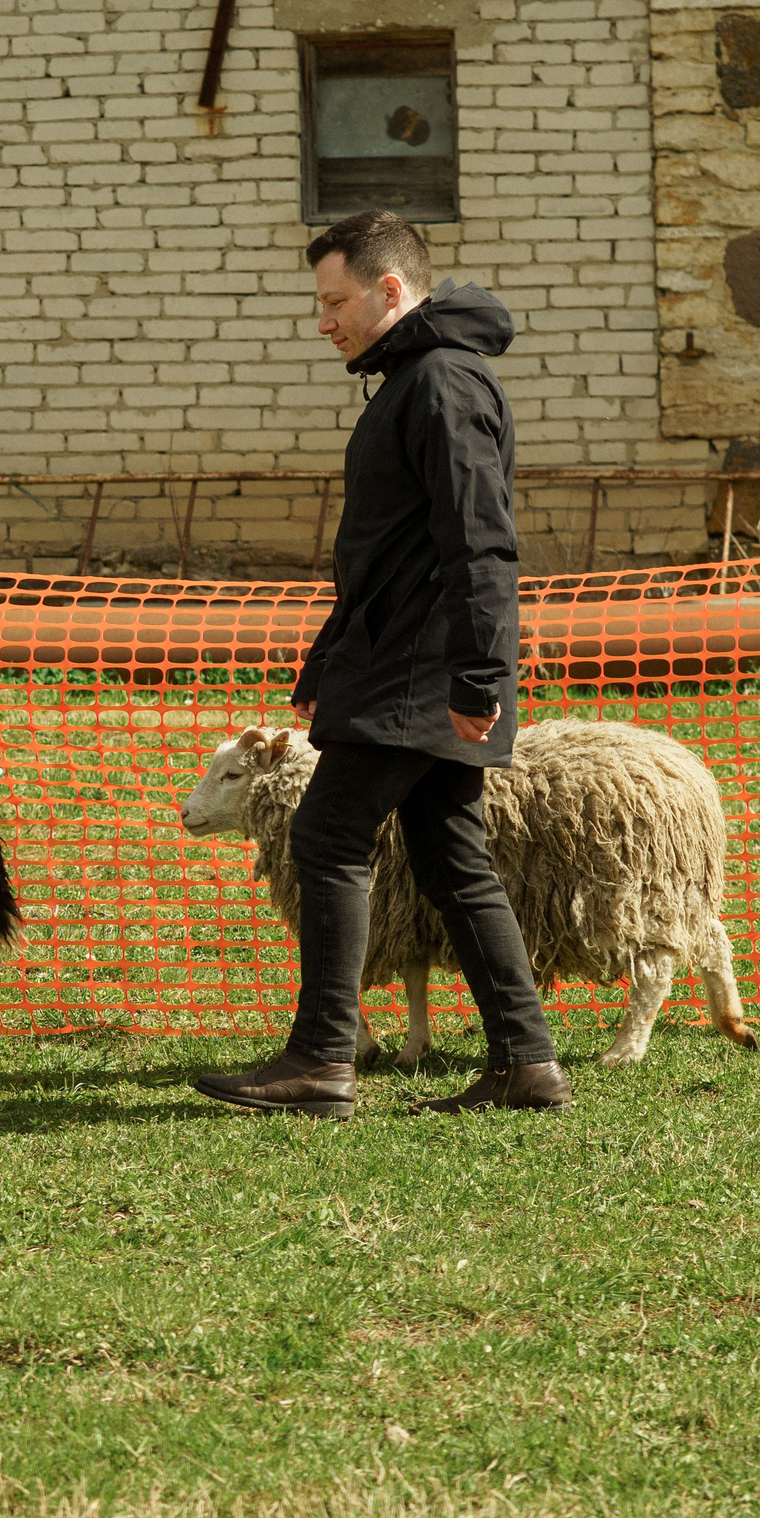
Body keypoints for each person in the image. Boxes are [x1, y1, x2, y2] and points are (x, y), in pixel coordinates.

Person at [193, 210, 570, 1119]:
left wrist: (481, 674)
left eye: (336, 300)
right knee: (451, 859)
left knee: (326, 834)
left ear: (390, 290)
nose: (325, 320)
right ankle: (526, 1063)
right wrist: (328, 655)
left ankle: (322, 1060)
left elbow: (481, 540)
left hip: (423, 670)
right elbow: (387, 549)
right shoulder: (414, 379)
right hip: (407, 662)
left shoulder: (441, 382)